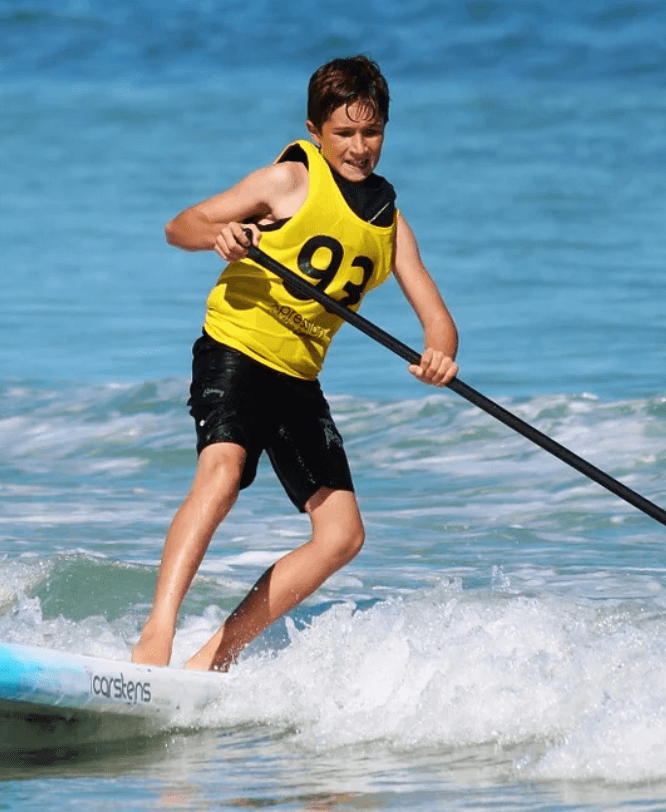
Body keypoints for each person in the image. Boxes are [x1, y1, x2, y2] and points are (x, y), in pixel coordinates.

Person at [131, 55, 459, 672]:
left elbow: (435, 314)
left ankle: (214, 658)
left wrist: (441, 352)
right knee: (222, 475)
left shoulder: (389, 224)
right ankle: (156, 636)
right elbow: (181, 226)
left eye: (372, 132)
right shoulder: (289, 181)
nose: (359, 147)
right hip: (234, 348)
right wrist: (220, 236)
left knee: (342, 536)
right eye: (344, 133)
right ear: (315, 131)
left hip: (298, 379)